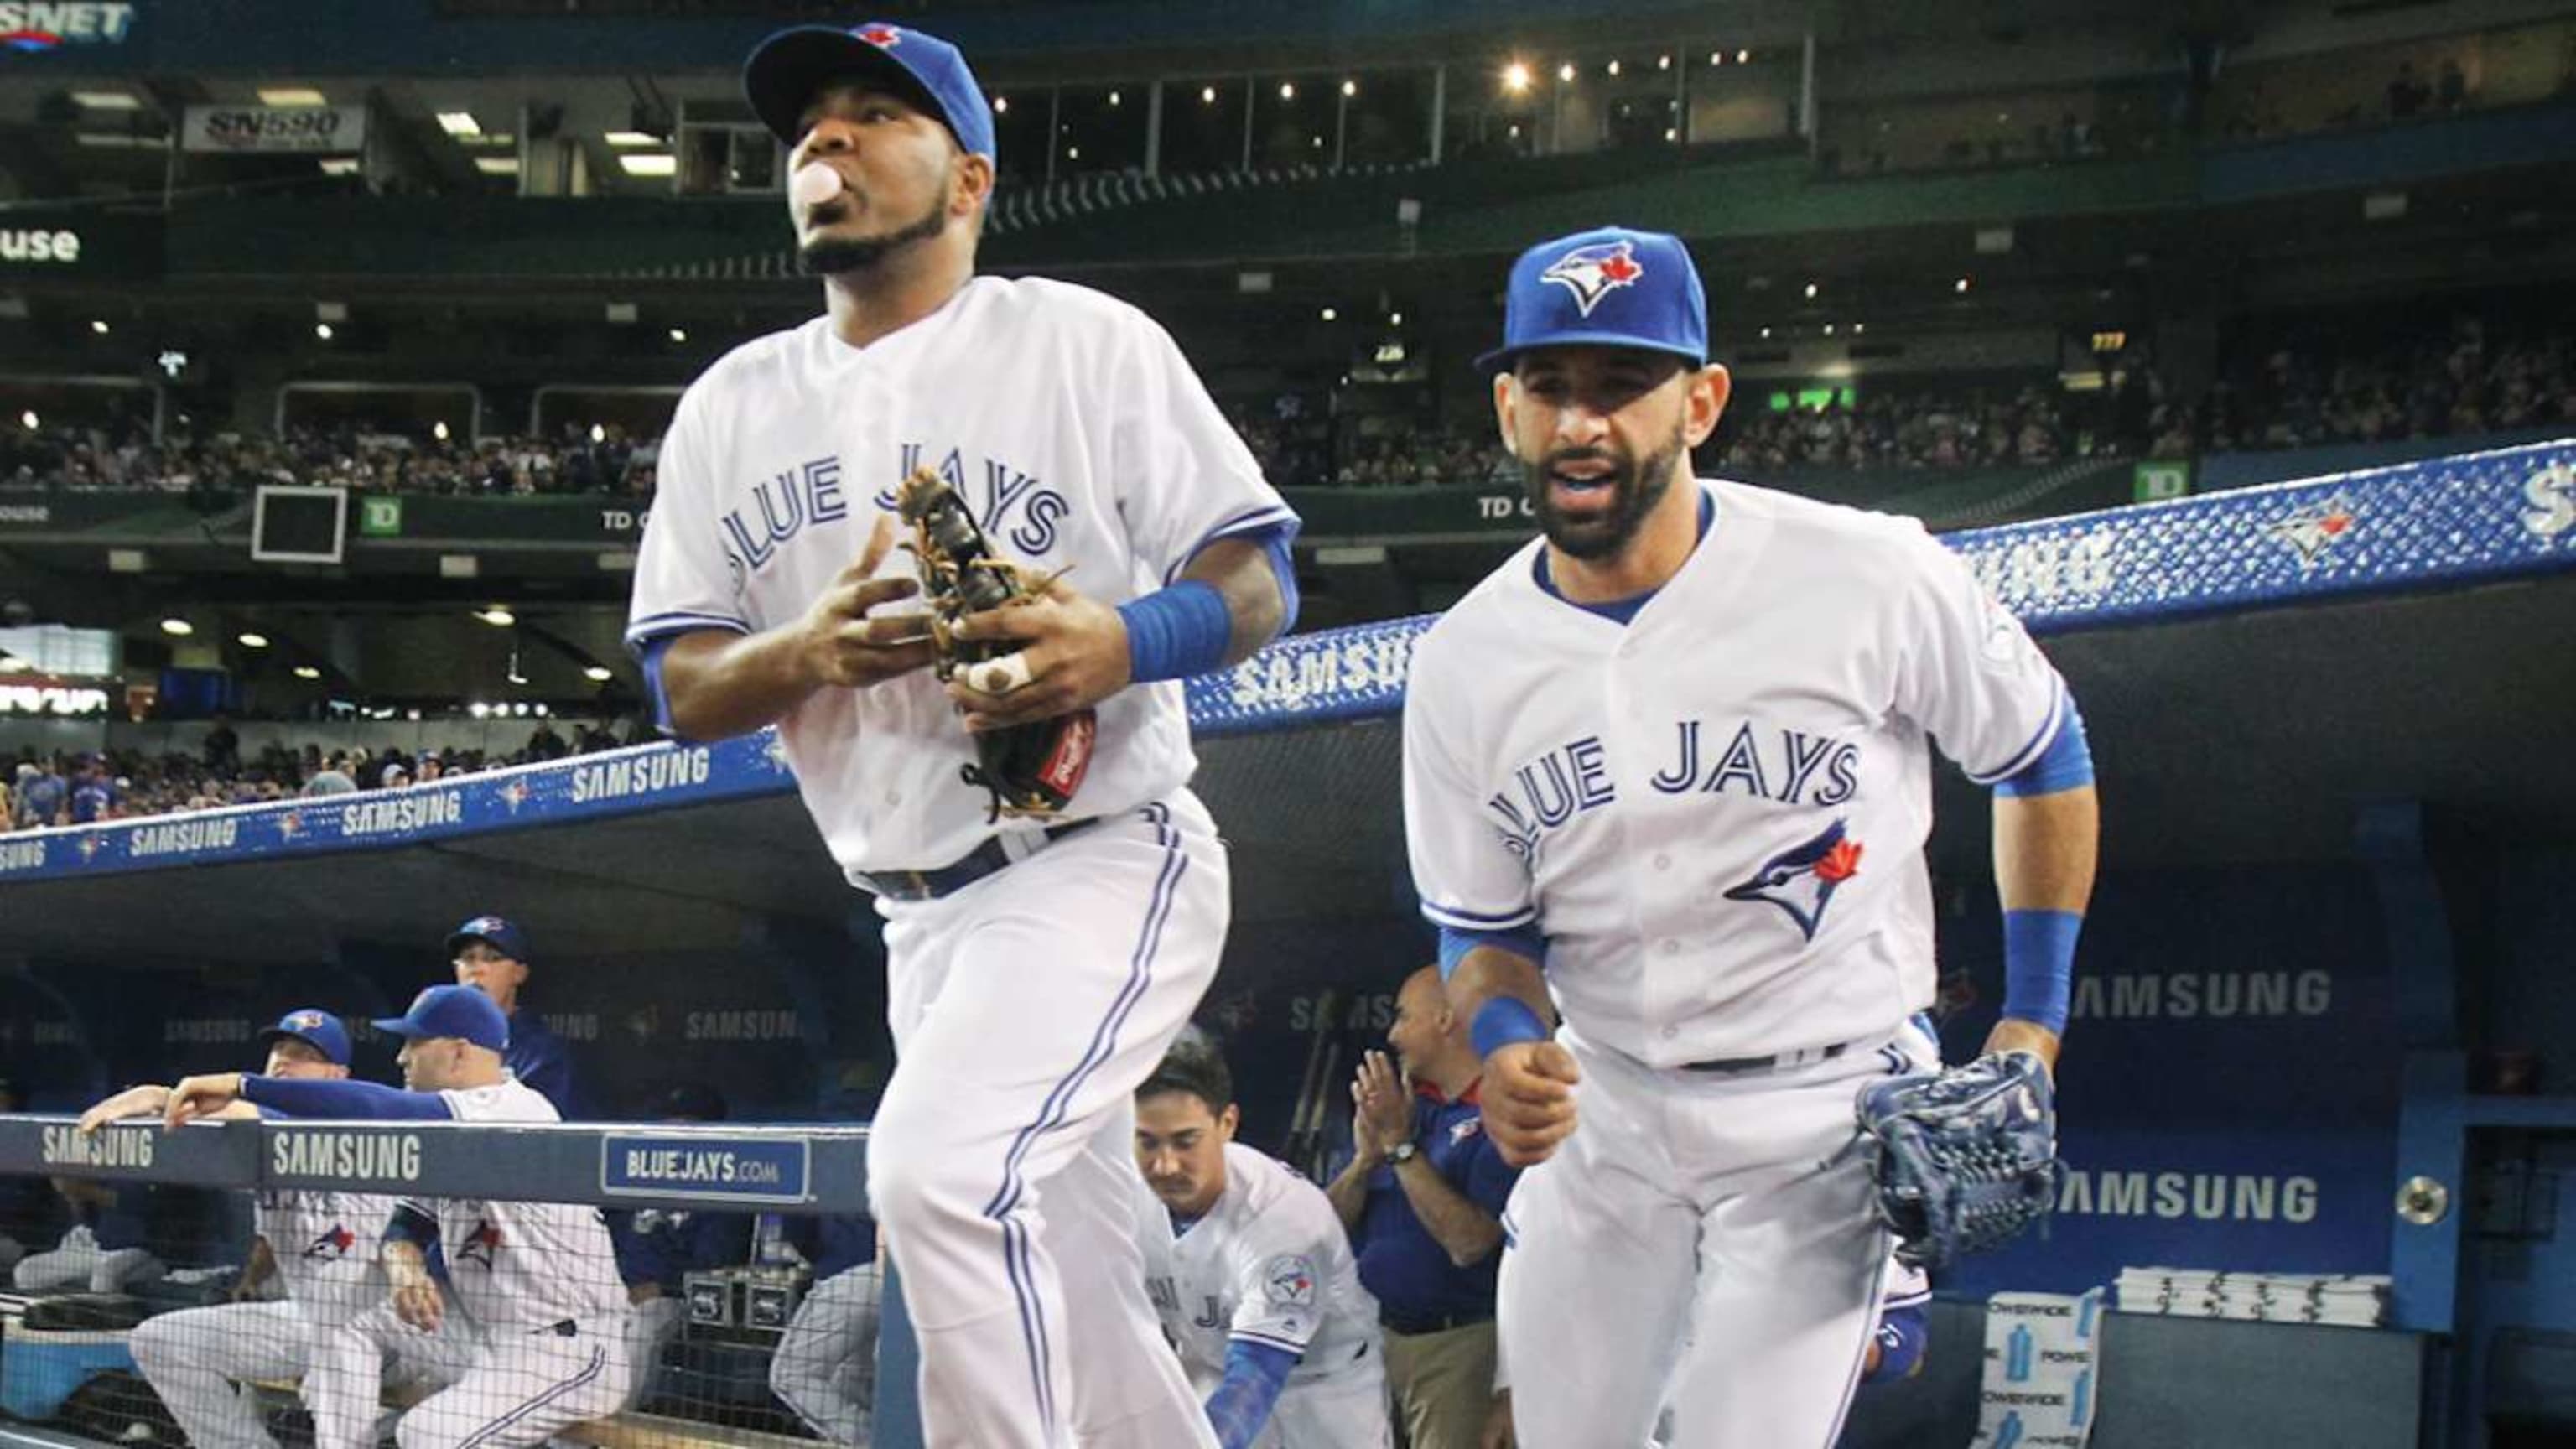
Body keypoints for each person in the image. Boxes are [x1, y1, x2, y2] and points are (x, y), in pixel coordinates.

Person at [621, 20, 1297, 1448]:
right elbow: (680, 687)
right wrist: (804, 650)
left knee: (931, 1177)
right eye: (808, 123)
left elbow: (1258, 576)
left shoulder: (1078, 341)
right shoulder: (731, 404)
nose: (828, 139)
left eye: (875, 114)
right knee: (1084, 1295)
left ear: (971, 178)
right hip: (913, 917)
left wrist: (1118, 640)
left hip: (1098, 851)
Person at [1405, 226, 2098, 1446]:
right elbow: (1481, 922)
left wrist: (2032, 1027)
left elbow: (2041, 751)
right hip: (1606, 1116)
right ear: (1508, 409)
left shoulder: (1865, 570)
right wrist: (1509, 1037)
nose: (1582, 424)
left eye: (1622, 387)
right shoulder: (1463, 659)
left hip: (1821, 1118)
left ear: (1703, 402)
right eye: (1554, 389)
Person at [158, 986, 633, 1449]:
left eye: (414, 1043)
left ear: (459, 1053)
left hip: (569, 1347)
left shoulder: (510, 1108)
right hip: (488, 1337)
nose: (402, 1058)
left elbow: (380, 1107)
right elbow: (409, 1221)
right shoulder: (450, 1134)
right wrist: (405, 1262)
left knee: (427, 1435)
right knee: (349, 1313)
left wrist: (242, 1084)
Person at [79, 1010, 395, 1449]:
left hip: (380, 1325)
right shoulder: (258, 1135)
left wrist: (159, 1096)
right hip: (309, 1315)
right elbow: (272, 1228)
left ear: (337, 1075)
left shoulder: (352, 1122)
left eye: (304, 1055)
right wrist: (252, 1278)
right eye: (279, 1049)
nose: (284, 1060)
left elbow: (242, 1111)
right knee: (160, 1340)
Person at [1133, 1035, 1389, 1449]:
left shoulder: (1282, 1217)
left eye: (1185, 1141)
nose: (1165, 1164)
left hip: (1320, 1394)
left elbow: (1257, 1373)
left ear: (1227, 1124)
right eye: (1147, 1141)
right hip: (1210, 1372)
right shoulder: (1121, 1198)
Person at [1324, 968, 1515, 1449]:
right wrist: (1367, 1162)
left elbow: (1470, 1244)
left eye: (1405, 1017)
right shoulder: (1405, 1108)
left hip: (1459, 1347)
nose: (1392, 1034)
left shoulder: (1502, 1116)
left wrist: (1400, 1147)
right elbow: (1325, 1232)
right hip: (1374, 1341)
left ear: (1446, 1019)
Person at [610, 1083, 756, 1412]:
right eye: (668, 1122)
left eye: (687, 1123)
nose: (674, 1132)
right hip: (615, 1289)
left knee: (641, 1330)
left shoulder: (726, 1189)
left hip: (674, 1297)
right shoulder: (636, 1177)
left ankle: (618, 1430)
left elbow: (718, 1264)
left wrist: (663, 1286)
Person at [769, 1214, 882, 1446]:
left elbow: (799, 1227)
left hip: (845, 1273)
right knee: (852, 1385)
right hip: (893, 1276)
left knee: (790, 1375)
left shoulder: (830, 1178)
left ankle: (875, 1442)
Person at [444, 915, 575, 1114]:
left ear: (519, 973)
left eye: (493, 958)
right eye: (468, 958)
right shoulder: (438, 1040)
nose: (477, 969)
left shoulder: (541, 1050)